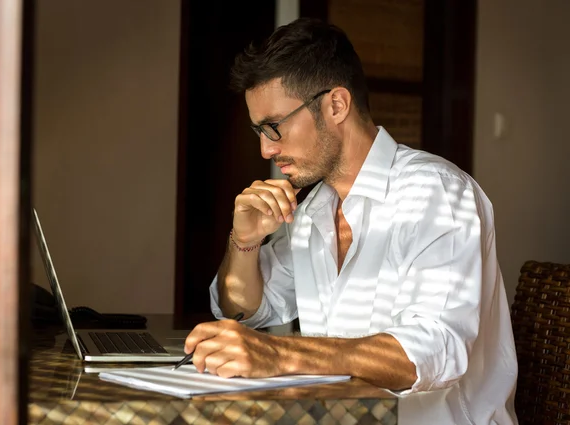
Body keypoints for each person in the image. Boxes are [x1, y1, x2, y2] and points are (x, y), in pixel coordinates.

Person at [183, 17, 518, 425]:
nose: (266, 149)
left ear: (336, 105)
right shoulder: (313, 210)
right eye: (259, 131)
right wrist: (245, 240)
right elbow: (245, 309)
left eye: (274, 127)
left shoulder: (436, 194)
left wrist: (279, 354)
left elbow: (434, 352)